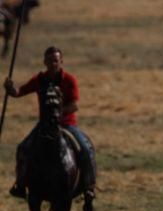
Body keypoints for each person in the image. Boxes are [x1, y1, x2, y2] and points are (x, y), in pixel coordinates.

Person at [4, 46, 96, 201]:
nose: (53, 64)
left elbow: (74, 106)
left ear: (61, 61)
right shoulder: (39, 80)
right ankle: (20, 185)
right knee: (23, 148)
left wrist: (57, 115)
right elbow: (20, 92)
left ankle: (88, 186)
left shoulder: (69, 80)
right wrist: (11, 89)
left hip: (66, 125)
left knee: (85, 148)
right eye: (50, 61)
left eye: (56, 60)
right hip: (44, 125)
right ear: (44, 62)